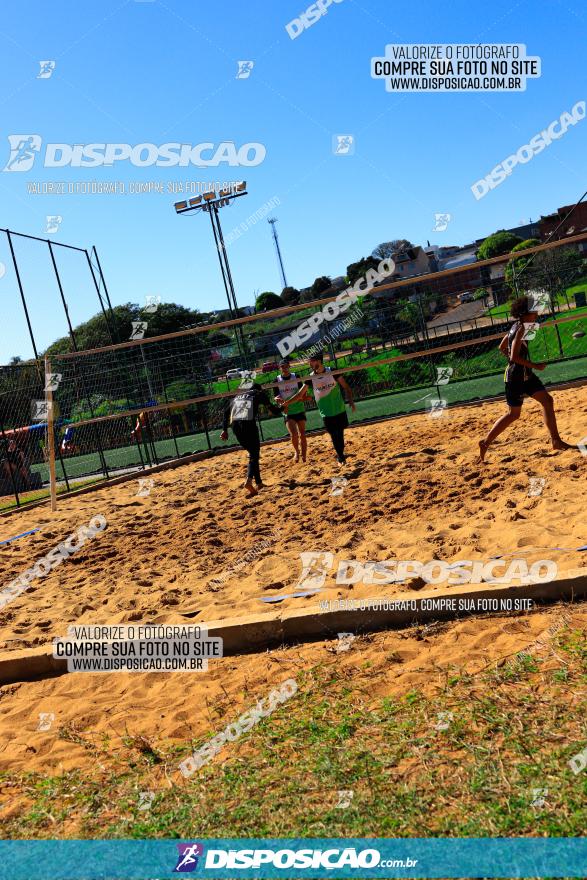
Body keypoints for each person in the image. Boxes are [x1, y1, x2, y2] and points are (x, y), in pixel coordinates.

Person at [479, 295, 575, 462]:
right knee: (513, 414)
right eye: (534, 310)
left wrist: (518, 361)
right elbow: (515, 356)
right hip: (516, 377)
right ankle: (485, 442)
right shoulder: (522, 328)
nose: (537, 313)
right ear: (524, 313)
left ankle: (556, 441)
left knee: (547, 400)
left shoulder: (517, 326)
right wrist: (534, 365)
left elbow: (502, 347)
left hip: (524, 375)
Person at [278, 352, 355, 465]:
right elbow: (300, 395)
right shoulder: (310, 377)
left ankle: (341, 455)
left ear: (319, 361)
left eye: (312, 361)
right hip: (326, 412)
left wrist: (351, 401)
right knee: (334, 434)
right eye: (309, 361)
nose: (310, 363)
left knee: (340, 433)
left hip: (339, 409)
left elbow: (346, 387)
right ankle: (340, 457)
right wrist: (286, 403)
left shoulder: (332, 371)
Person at [220, 380, 285, 496]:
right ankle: (249, 481)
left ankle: (259, 483)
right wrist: (282, 407)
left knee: (253, 453)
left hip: (235, 426)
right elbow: (274, 411)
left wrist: (224, 430)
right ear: (259, 389)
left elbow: (225, 414)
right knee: (254, 454)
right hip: (248, 424)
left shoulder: (237, 397)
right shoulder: (258, 393)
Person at [275, 358, 307, 463]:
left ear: (289, 366)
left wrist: (305, 397)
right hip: (288, 411)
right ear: (280, 368)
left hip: (299, 408)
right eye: (282, 366)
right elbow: (276, 397)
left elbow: (302, 392)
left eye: (286, 366)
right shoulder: (277, 380)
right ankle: (297, 452)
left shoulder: (296, 376)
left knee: (302, 434)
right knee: (294, 434)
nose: (284, 368)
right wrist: (279, 401)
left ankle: (304, 455)